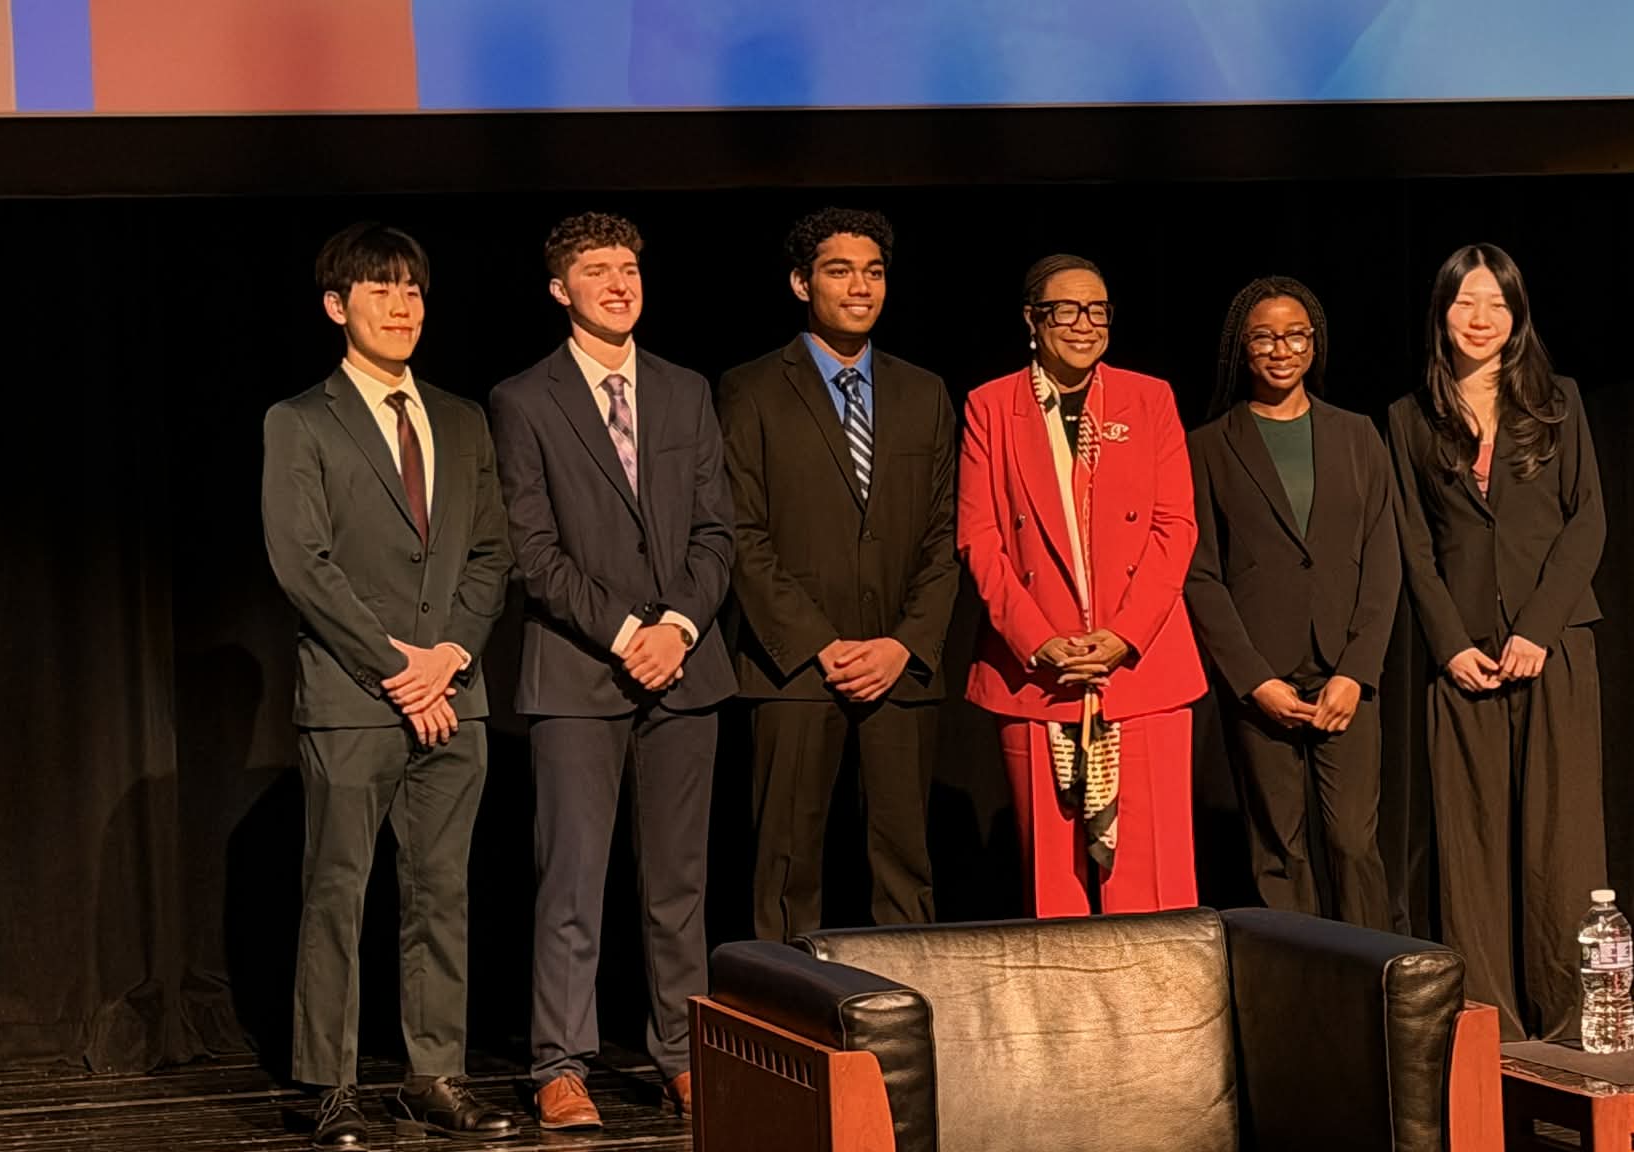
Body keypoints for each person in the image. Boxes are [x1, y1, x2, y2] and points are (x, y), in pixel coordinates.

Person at [261, 222, 516, 1147]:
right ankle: (328, 1082)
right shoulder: (300, 421)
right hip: (352, 699)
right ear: (337, 307)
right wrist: (397, 666)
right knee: (339, 890)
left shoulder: (459, 416)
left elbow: (492, 553)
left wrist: (449, 655)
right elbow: (302, 562)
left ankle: (433, 1073)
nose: (401, 306)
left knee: (441, 891)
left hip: (456, 694)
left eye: (412, 289)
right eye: (379, 289)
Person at [490, 213, 737, 1128]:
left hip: (687, 671)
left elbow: (718, 533)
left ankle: (682, 1054)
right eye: (598, 270)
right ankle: (561, 1062)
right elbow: (533, 550)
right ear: (561, 290)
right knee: (573, 879)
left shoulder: (684, 390)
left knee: (678, 887)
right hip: (579, 675)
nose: (619, 283)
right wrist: (630, 629)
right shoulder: (523, 399)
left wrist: (676, 625)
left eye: (629, 267)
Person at [1385, 243, 1607, 1042]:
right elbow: (1411, 545)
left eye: (1497, 305)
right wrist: (1447, 644)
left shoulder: (1559, 402)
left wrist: (1539, 630)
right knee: (1471, 842)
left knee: (1562, 839)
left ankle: (1575, 1013)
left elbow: (1588, 524)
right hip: (1465, 656)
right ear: (1441, 314)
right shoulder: (1408, 419)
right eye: (1464, 303)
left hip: (1555, 647)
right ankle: (1489, 1022)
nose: (1480, 319)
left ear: (1517, 318)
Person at [720, 207, 958, 941]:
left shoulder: (925, 392)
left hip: (900, 668)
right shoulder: (750, 388)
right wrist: (821, 643)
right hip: (793, 670)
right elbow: (740, 533)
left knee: (905, 865)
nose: (861, 286)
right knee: (786, 868)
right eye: (839, 269)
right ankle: (785, 1033)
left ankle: (911, 1035)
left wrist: (901, 644)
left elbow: (947, 537)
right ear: (800, 282)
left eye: (874, 271)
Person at [956, 254, 1205, 917]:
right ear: (1032, 321)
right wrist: (1040, 641)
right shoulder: (990, 406)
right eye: (1065, 310)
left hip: (1139, 670)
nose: (1083, 324)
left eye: (1097, 310)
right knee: (1053, 886)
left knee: (1153, 884)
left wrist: (1123, 636)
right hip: (1038, 671)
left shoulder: (1148, 398)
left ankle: (1162, 1018)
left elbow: (1175, 526)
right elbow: (979, 538)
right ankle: (1069, 1021)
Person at [1183, 276, 1400, 928]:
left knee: (1353, 842)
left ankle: (1370, 977)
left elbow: (1383, 561)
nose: (1282, 349)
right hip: (1262, 676)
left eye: (1295, 334)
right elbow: (1201, 576)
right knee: (1279, 846)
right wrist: (1253, 681)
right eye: (1264, 336)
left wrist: (1357, 672)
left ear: (1315, 344)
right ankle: (1298, 989)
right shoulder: (1209, 446)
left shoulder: (1359, 436)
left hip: (1344, 672)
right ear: (1240, 348)